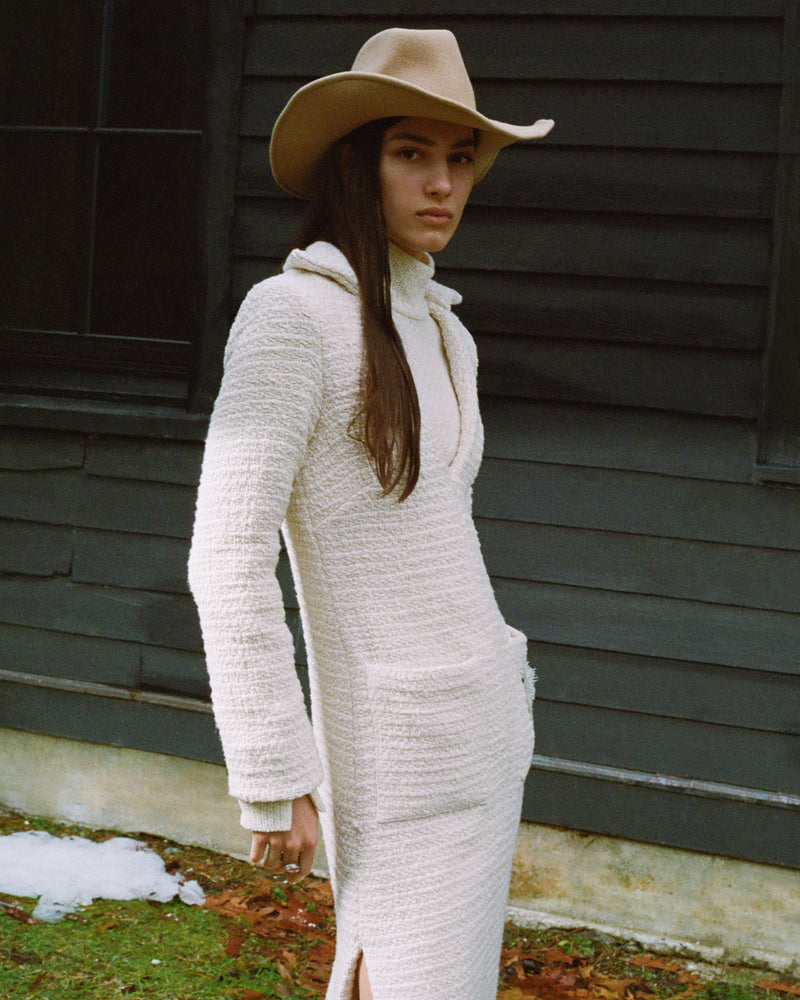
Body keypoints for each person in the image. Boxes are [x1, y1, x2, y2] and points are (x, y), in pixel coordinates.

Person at [188, 27, 553, 1000]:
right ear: (354, 164)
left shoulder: (442, 330)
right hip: (394, 756)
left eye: (458, 159)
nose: (441, 184)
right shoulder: (288, 317)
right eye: (410, 154)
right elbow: (225, 553)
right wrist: (271, 768)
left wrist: (501, 693)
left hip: (478, 731)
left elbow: (437, 534)